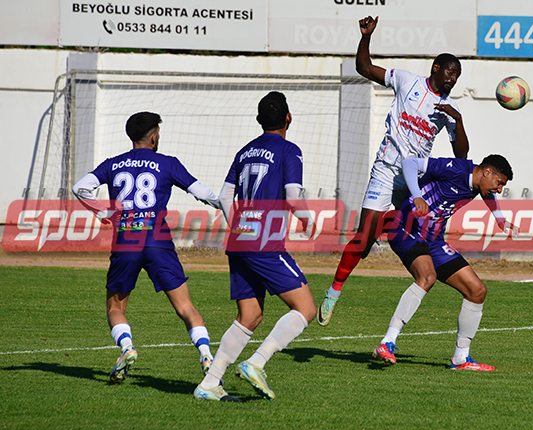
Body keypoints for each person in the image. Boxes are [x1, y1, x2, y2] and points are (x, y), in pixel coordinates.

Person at [320, 15, 500, 326]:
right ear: (436, 68)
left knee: (416, 234)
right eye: (450, 73)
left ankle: (416, 273)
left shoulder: (446, 110)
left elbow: (463, 156)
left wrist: (458, 120)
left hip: (414, 179)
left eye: (457, 76)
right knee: (363, 241)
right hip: (386, 169)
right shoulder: (407, 81)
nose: (452, 80)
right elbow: (364, 68)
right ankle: (334, 290)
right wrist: (365, 36)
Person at [71, 112, 221, 384]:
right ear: (154, 136)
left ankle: (127, 348)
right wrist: (224, 204)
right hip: (157, 240)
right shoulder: (167, 163)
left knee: (115, 308)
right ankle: (207, 355)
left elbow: (80, 187)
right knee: (185, 306)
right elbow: (202, 192)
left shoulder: (113, 164)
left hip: (126, 240)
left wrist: (103, 211)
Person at [193, 91, 316, 402]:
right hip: (265, 242)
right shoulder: (290, 150)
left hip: (240, 240)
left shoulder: (244, 151)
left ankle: (210, 383)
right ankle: (257, 362)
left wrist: (238, 224)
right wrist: (306, 218)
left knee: (249, 315)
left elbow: (224, 197)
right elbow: (291, 195)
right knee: (305, 309)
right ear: (288, 117)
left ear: (260, 120)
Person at [371, 154, 513, 371]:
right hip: (406, 229)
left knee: (477, 291)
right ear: (486, 172)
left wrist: (499, 217)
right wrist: (417, 196)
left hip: (433, 240)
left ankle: (460, 358)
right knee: (427, 277)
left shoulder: (480, 183)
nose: (499, 189)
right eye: (499, 183)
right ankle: (387, 343)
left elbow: (488, 192)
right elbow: (409, 162)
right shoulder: (454, 168)